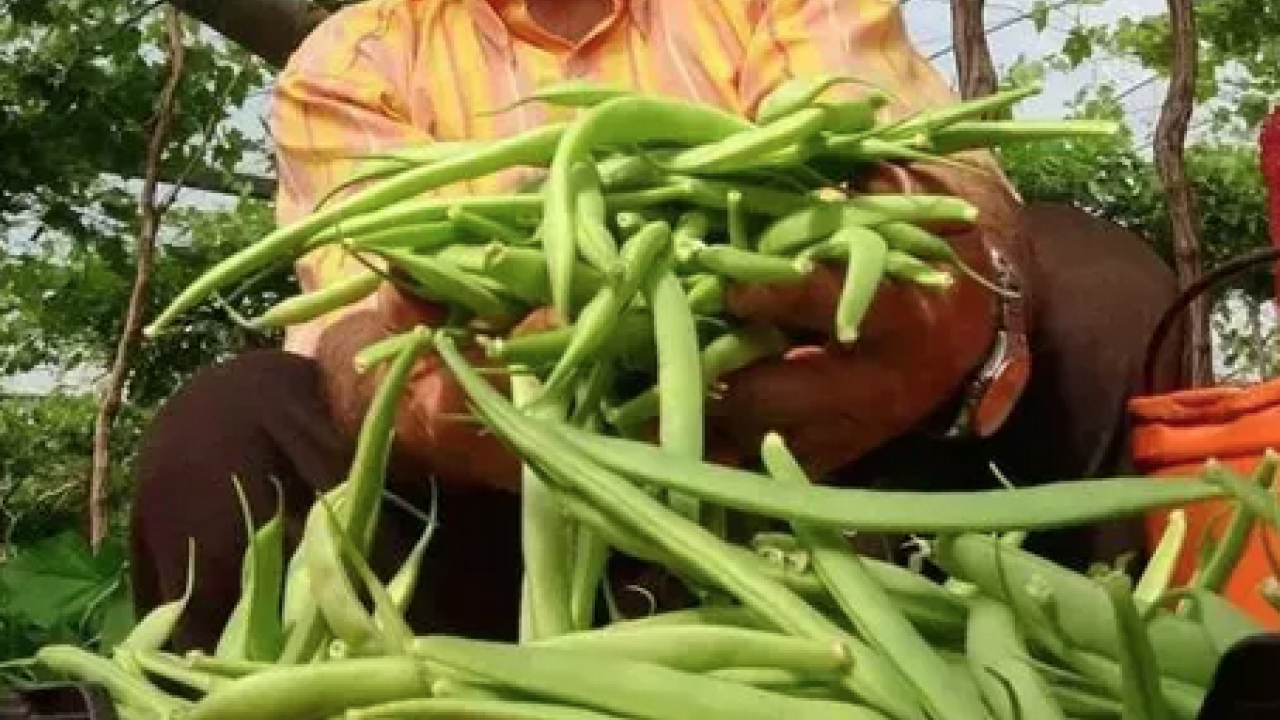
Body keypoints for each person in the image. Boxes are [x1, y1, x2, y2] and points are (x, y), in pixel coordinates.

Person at [129, 0, 1030, 652]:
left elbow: (924, 170)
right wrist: (471, 404)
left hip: (819, 444)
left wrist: (963, 290)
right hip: (497, 499)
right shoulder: (357, 55)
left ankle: (1029, 609)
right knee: (229, 424)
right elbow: (358, 323)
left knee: (1091, 278)